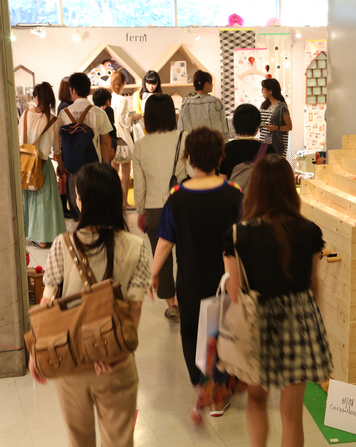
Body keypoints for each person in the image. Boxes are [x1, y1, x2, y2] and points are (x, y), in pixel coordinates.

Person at [29, 163, 150, 447]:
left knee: (79, 440)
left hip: (70, 360)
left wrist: (36, 351)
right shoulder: (136, 246)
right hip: (115, 361)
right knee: (119, 441)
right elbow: (135, 307)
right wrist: (119, 352)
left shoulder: (62, 244)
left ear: (82, 201)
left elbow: (47, 301)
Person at [223, 154, 332, 447]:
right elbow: (313, 283)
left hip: (256, 322)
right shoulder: (310, 231)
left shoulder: (237, 234)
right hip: (299, 321)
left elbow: (234, 291)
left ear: (254, 189)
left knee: (257, 401)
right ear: (289, 188)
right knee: (292, 415)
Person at [148, 127, 242, 415]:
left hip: (189, 278)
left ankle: (202, 385)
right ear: (220, 156)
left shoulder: (177, 196)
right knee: (223, 332)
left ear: (188, 157)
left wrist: (153, 272)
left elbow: (166, 241)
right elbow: (242, 238)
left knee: (191, 332)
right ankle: (218, 393)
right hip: (226, 278)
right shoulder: (234, 193)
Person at [133, 94, 187, 322]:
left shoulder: (140, 145)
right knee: (186, 257)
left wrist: (141, 212)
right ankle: (186, 301)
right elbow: (193, 173)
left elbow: (140, 184)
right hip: (183, 206)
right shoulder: (184, 138)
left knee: (161, 259)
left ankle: (172, 305)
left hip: (154, 209)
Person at [57, 72, 113, 220]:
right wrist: (106, 165)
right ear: (88, 90)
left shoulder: (63, 114)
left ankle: (79, 228)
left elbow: (59, 143)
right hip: (93, 165)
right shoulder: (99, 113)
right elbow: (105, 143)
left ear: (73, 90)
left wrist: (61, 163)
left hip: (72, 166)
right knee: (94, 200)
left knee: (75, 203)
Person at [20, 82, 66, 248]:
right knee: (44, 201)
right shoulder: (54, 120)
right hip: (42, 164)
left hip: (25, 164)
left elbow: (18, 139)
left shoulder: (25, 115)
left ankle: (29, 233)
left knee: (27, 199)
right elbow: (56, 149)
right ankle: (43, 237)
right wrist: (60, 165)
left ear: (36, 97)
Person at [219, 103, 276, 180]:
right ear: (257, 127)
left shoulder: (224, 149)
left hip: (233, 187)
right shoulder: (269, 150)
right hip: (259, 188)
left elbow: (222, 180)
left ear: (235, 125)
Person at [177, 70, 229, 142]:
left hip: (193, 145)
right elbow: (224, 127)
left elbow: (181, 129)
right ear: (207, 85)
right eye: (211, 83)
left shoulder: (185, 105)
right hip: (213, 144)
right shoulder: (216, 102)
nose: (212, 85)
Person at [110, 71, 136, 210]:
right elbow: (124, 122)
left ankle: (115, 203)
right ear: (124, 83)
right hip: (123, 137)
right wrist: (133, 117)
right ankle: (124, 202)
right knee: (125, 173)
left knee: (114, 173)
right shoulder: (123, 100)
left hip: (112, 137)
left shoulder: (110, 98)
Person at [259, 78, 292, 157]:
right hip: (265, 140)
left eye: (263, 89)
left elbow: (289, 126)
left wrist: (276, 128)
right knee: (266, 161)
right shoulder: (264, 105)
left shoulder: (281, 107)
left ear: (270, 91)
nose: (262, 91)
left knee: (275, 162)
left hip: (277, 142)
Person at [57, 77, 73, 217]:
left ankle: (66, 208)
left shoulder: (63, 105)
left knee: (65, 180)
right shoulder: (64, 106)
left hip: (65, 147)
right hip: (65, 147)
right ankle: (64, 209)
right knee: (64, 180)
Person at [91, 87, 117, 158]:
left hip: (95, 142)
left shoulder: (92, 110)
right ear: (107, 101)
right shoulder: (108, 109)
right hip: (106, 142)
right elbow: (111, 127)